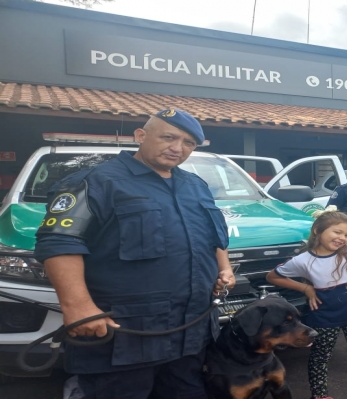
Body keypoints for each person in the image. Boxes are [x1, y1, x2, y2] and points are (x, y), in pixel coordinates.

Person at [34, 109, 234, 398]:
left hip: (191, 333)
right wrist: (78, 308)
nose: (178, 148)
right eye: (169, 137)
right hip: (126, 335)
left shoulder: (196, 186)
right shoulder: (95, 181)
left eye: (188, 143)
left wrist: (223, 268)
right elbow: (59, 244)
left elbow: (215, 236)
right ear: (141, 136)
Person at [266, 211, 347, 399]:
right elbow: (273, 276)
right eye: (337, 232)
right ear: (317, 230)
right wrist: (305, 288)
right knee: (320, 358)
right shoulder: (302, 260)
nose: (342, 238)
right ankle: (320, 395)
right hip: (324, 316)